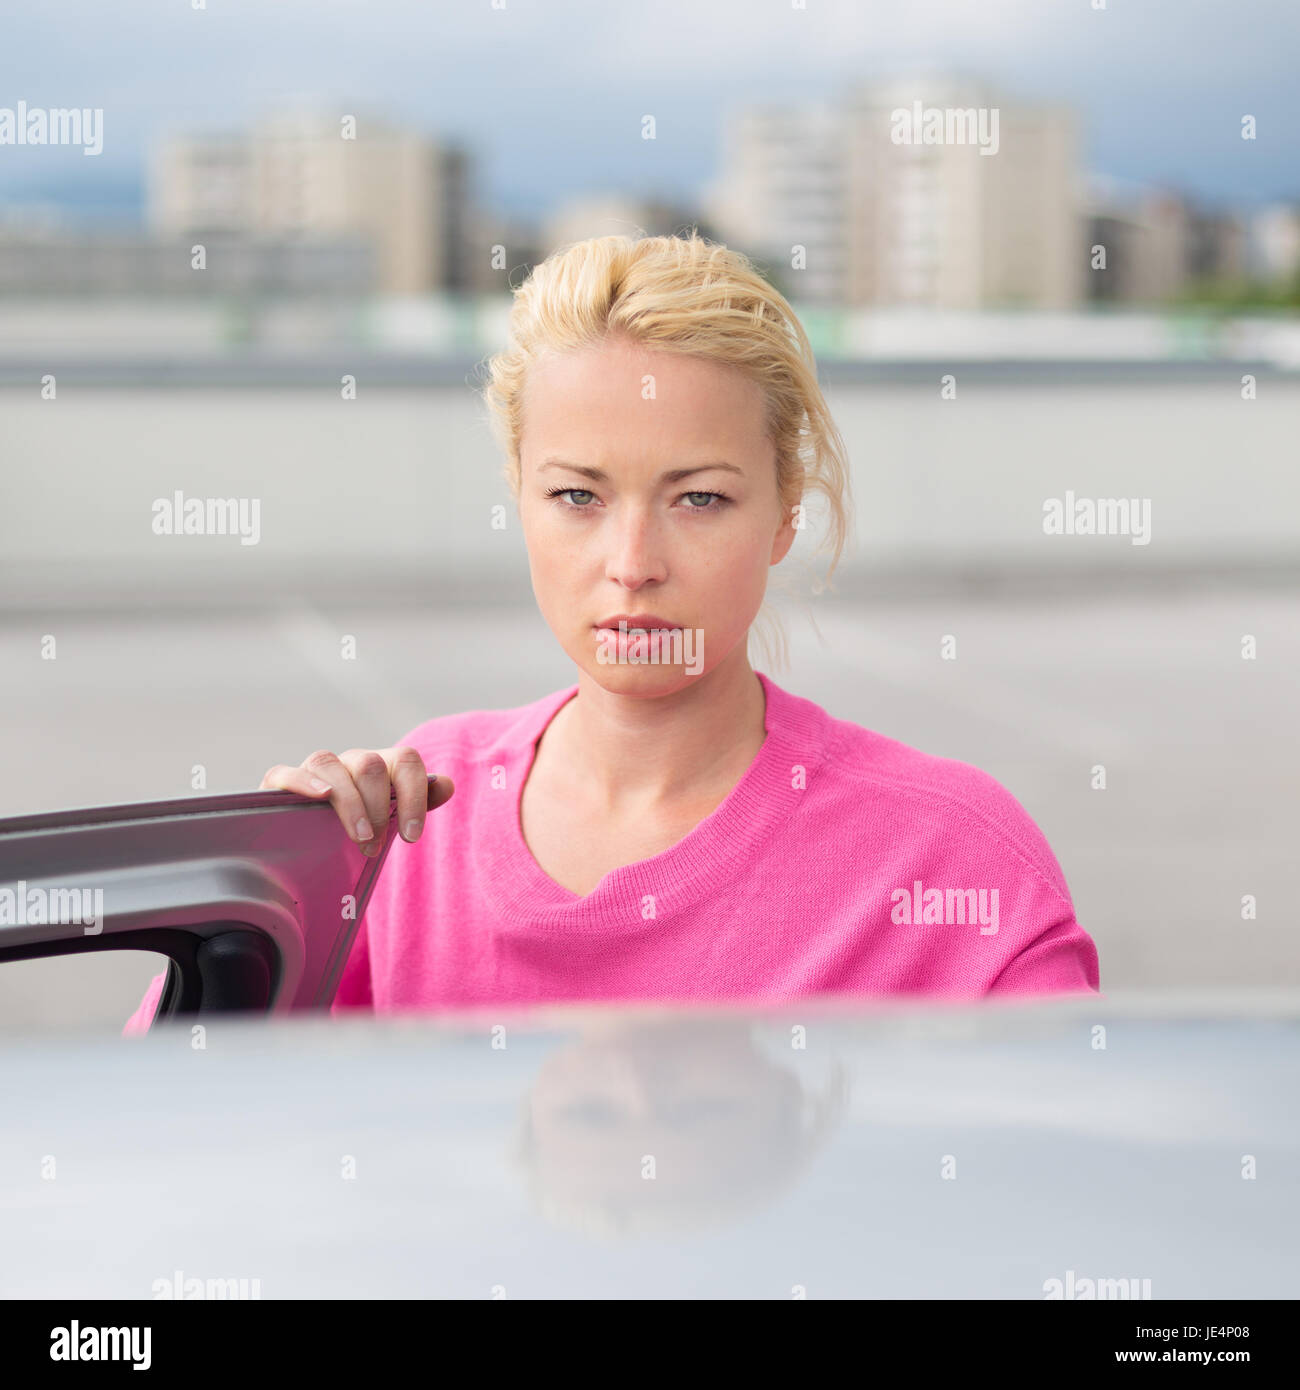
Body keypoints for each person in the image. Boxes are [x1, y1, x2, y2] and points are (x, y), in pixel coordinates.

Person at [123, 231, 1097, 1035]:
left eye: (700, 497)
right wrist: (262, 910)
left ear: (785, 512)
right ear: (520, 497)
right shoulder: (397, 831)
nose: (633, 560)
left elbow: (1060, 1195)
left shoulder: (952, 859)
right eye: (577, 495)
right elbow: (182, 1148)